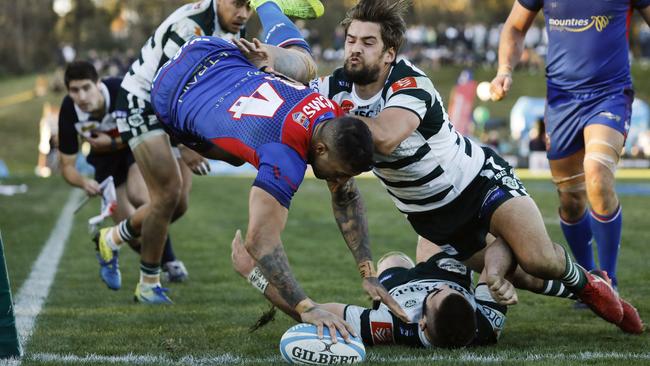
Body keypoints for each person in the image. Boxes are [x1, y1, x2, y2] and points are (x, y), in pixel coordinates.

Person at [237, 0, 640, 333]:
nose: (354, 49)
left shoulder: (410, 84)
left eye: (367, 42)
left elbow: (385, 136)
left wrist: (318, 119)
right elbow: (302, 88)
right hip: (433, 219)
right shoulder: (330, 91)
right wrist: (274, 66)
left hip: (479, 185)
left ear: (389, 53)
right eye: (350, 40)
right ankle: (577, 285)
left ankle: (591, 286)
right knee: (521, 276)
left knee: (537, 258)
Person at [149, 18, 413, 338]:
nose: (341, 180)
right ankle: (270, 8)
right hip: (169, 91)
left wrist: (368, 271)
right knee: (233, 155)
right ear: (319, 147)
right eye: (341, 172)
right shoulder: (284, 156)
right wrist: (306, 307)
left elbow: (346, 194)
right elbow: (260, 242)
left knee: (304, 65)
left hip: (217, 52)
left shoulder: (329, 113)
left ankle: (274, 16)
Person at [96, 0, 258, 304]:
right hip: (144, 103)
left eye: (249, 7)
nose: (243, 14)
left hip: (179, 111)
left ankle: (112, 237)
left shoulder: (234, 26)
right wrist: (185, 145)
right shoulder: (191, 27)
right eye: (238, 5)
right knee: (166, 195)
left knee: (179, 203)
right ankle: (148, 284)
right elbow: (164, 87)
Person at [490, 0, 650, 291]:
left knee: (598, 174)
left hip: (610, 93)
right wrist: (504, 70)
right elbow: (514, 26)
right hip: (562, 101)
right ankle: (589, 283)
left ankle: (608, 281)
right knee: (571, 201)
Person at [232, 233, 516, 348]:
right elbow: (503, 244)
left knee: (392, 261)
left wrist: (252, 274)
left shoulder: (388, 325)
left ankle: (399, 265)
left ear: (422, 322)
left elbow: (311, 311)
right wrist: (496, 276)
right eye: (450, 292)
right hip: (446, 269)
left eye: (435, 294)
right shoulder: (486, 324)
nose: (438, 288)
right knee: (439, 228)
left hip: (397, 291)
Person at [57, 61, 187, 291]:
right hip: (105, 165)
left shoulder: (122, 90)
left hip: (133, 149)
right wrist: (84, 182)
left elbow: (149, 125)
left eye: (86, 87)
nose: (82, 96)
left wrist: (113, 142)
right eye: (74, 90)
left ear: (99, 83)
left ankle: (164, 267)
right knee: (132, 235)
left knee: (142, 197)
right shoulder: (68, 110)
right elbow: (66, 166)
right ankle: (166, 263)